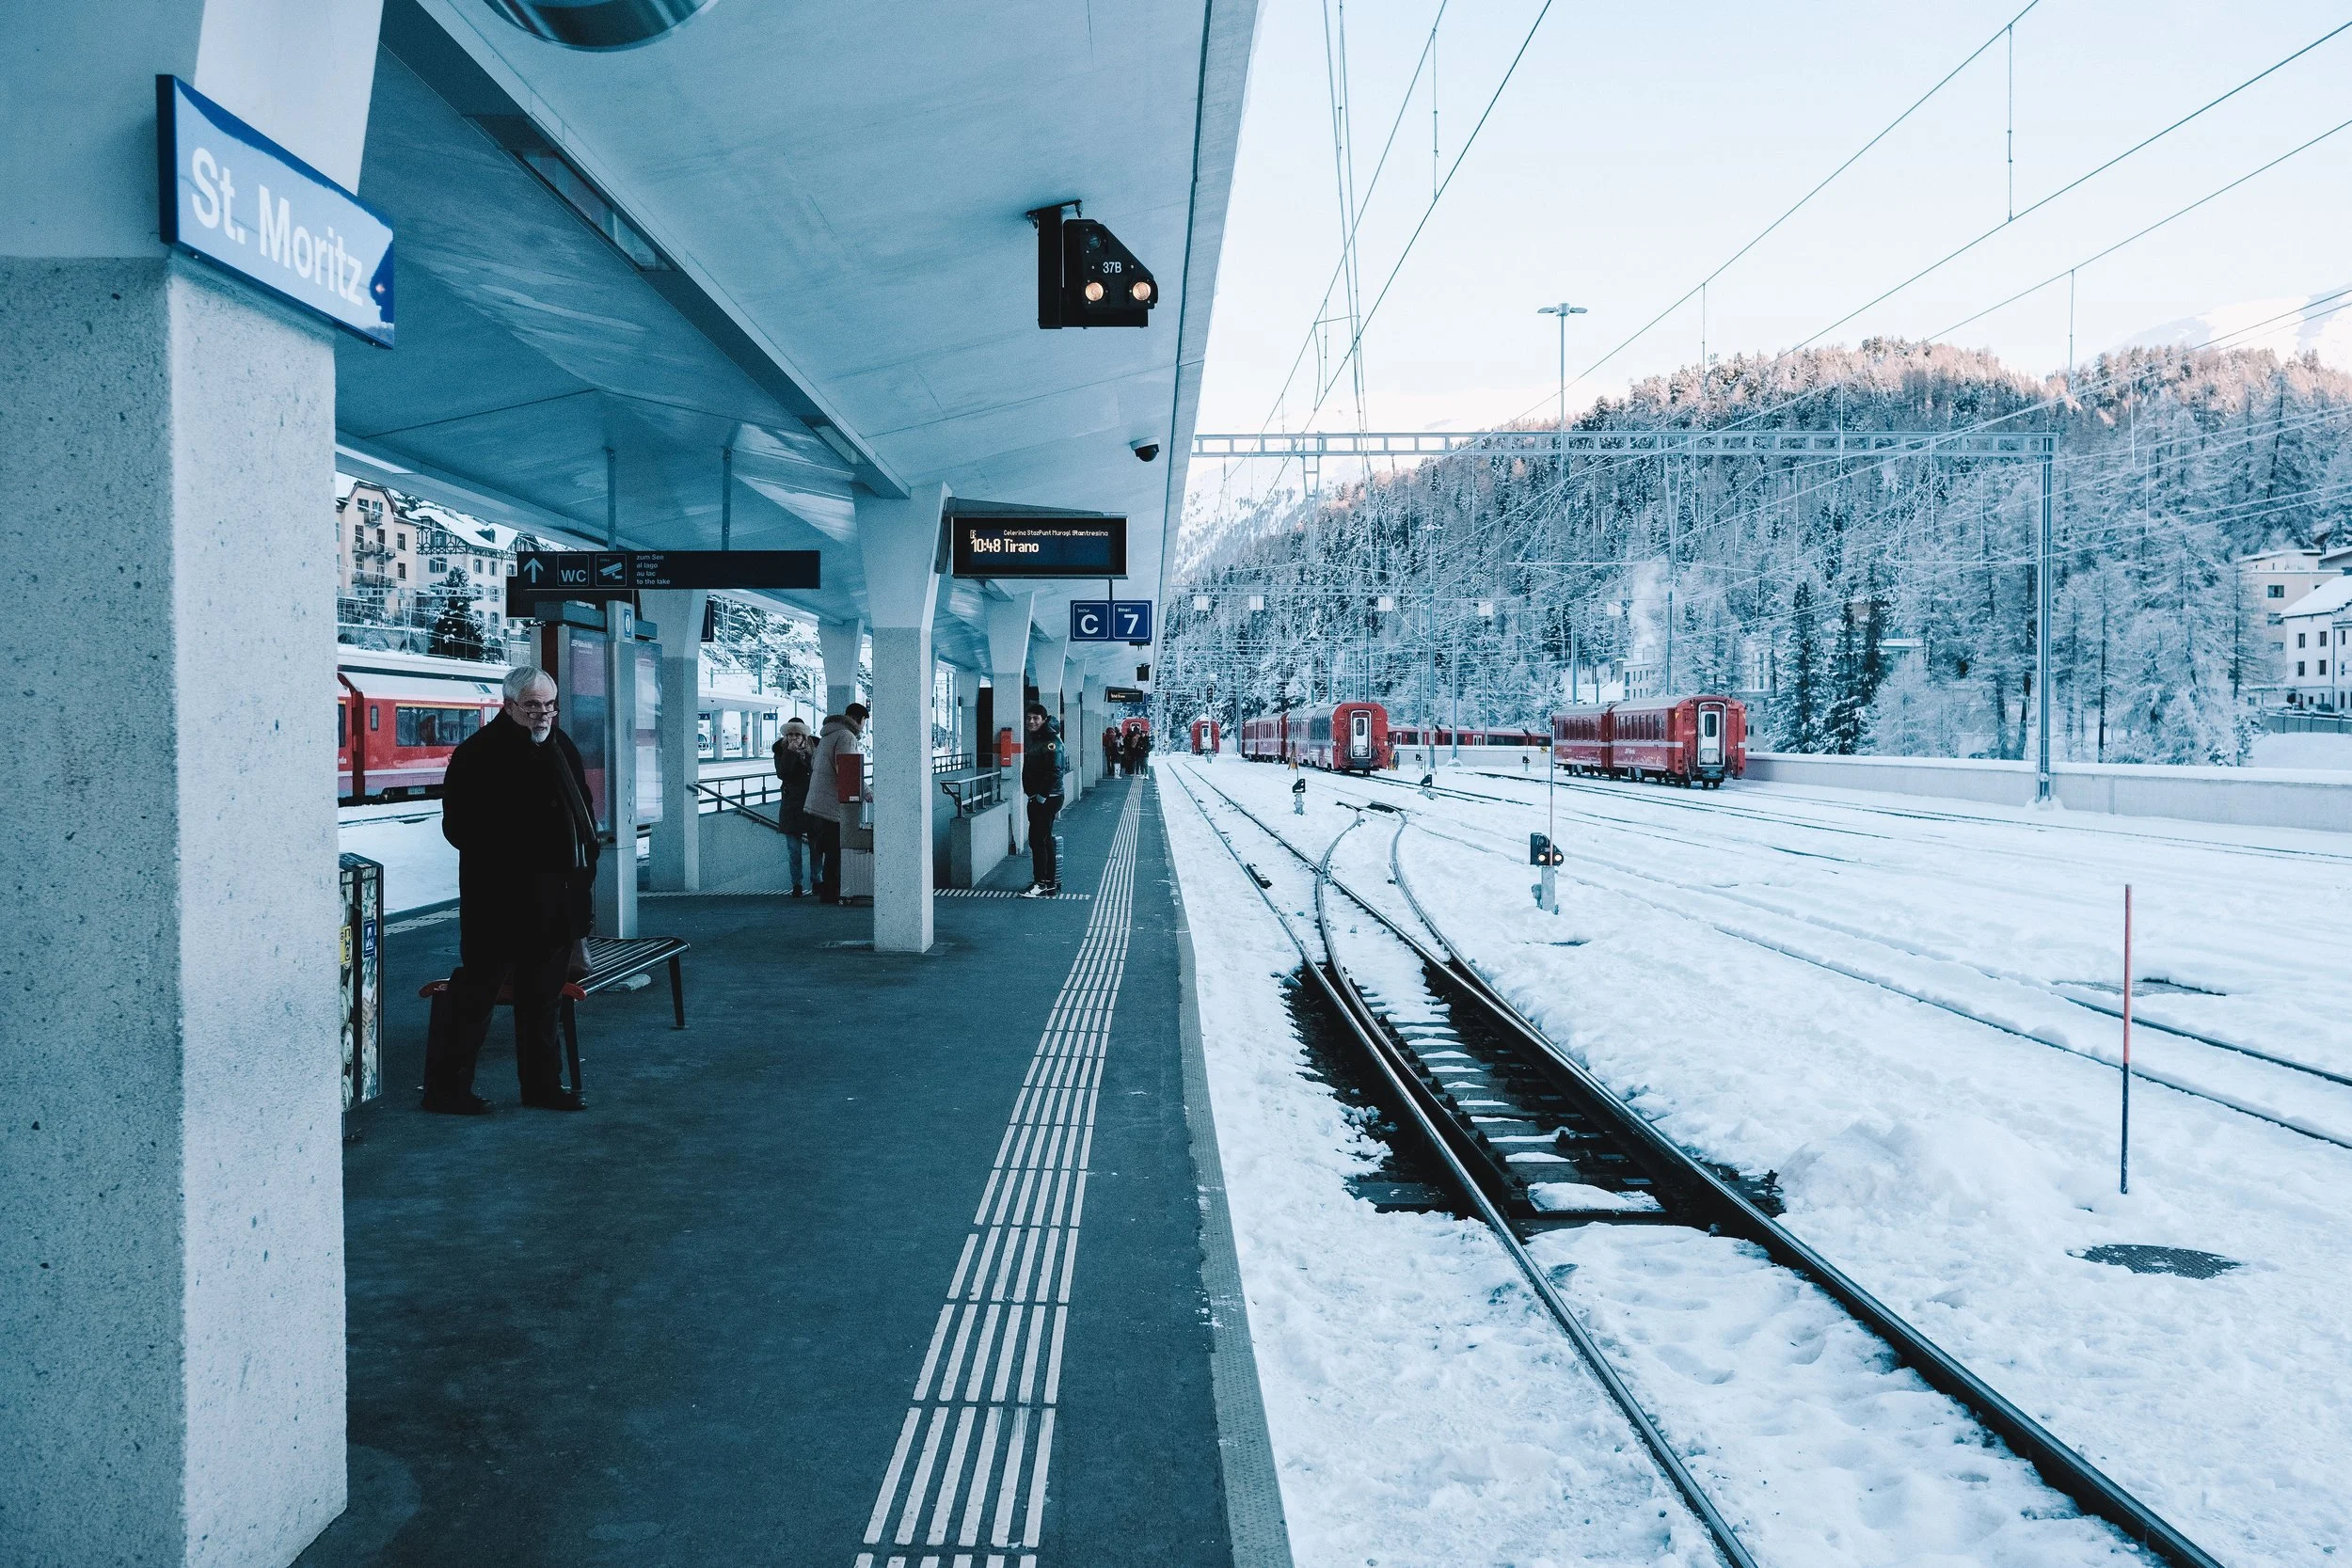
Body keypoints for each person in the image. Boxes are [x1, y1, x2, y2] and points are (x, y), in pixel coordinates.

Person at [427, 665, 598, 1114]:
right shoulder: (479, 754)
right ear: (508, 706)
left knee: (543, 997)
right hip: (499, 901)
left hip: (553, 899)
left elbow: (582, 808)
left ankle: (542, 1086)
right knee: (478, 993)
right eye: (533, 706)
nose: (544, 714)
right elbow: (459, 827)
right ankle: (448, 1090)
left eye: (549, 705)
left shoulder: (559, 745)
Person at [803, 703, 866, 904]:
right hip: (831, 804)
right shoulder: (846, 737)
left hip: (816, 803)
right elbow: (847, 771)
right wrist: (866, 792)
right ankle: (832, 894)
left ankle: (827, 892)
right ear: (860, 720)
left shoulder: (828, 735)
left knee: (828, 850)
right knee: (836, 850)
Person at [1021, 702, 1064, 896]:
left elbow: (1055, 771)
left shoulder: (1050, 741)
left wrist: (1040, 797)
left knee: (1038, 841)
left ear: (1044, 720)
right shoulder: (1039, 738)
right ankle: (1049, 884)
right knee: (1043, 840)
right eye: (1029, 718)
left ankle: (1041, 883)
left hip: (1047, 798)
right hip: (1043, 798)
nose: (1031, 721)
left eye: (1035, 718)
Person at [772, 717, 816, 896]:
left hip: (812, 802)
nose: (794, 738)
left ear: (804, 735)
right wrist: (790, 754)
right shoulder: (781, 751)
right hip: (791, 805)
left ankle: (817, 880)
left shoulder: (814, 749)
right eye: (790, 734)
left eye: (797, 734)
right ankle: (796, 884)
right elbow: (782, 774)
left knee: (816, 846)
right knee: (794, 849)